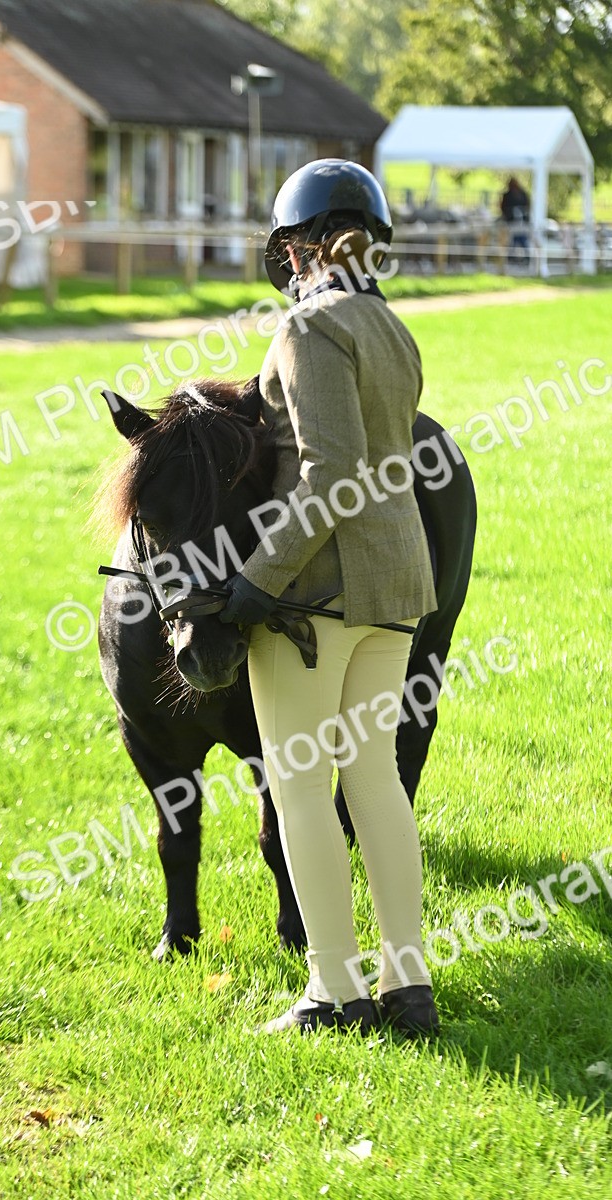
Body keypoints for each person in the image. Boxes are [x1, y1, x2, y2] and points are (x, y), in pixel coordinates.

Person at [219, 159, 440, 1037]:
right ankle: (408, 988)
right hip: (398, 583)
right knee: (376, 780)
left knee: (302, 792)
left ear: (301, 247)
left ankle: (333, 992)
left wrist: (254, 582)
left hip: (315, 595)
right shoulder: (392, 327)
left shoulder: (309, 330)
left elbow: (331, 476)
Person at [500, 176, 530, 264]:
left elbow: (528, 206)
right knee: (513, 239)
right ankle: (512, 257)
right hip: (511, 221)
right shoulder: (507, 195)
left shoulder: (522, 194)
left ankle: (526, 257)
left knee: (521, 239)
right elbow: (502, 207)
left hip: (521, 221)